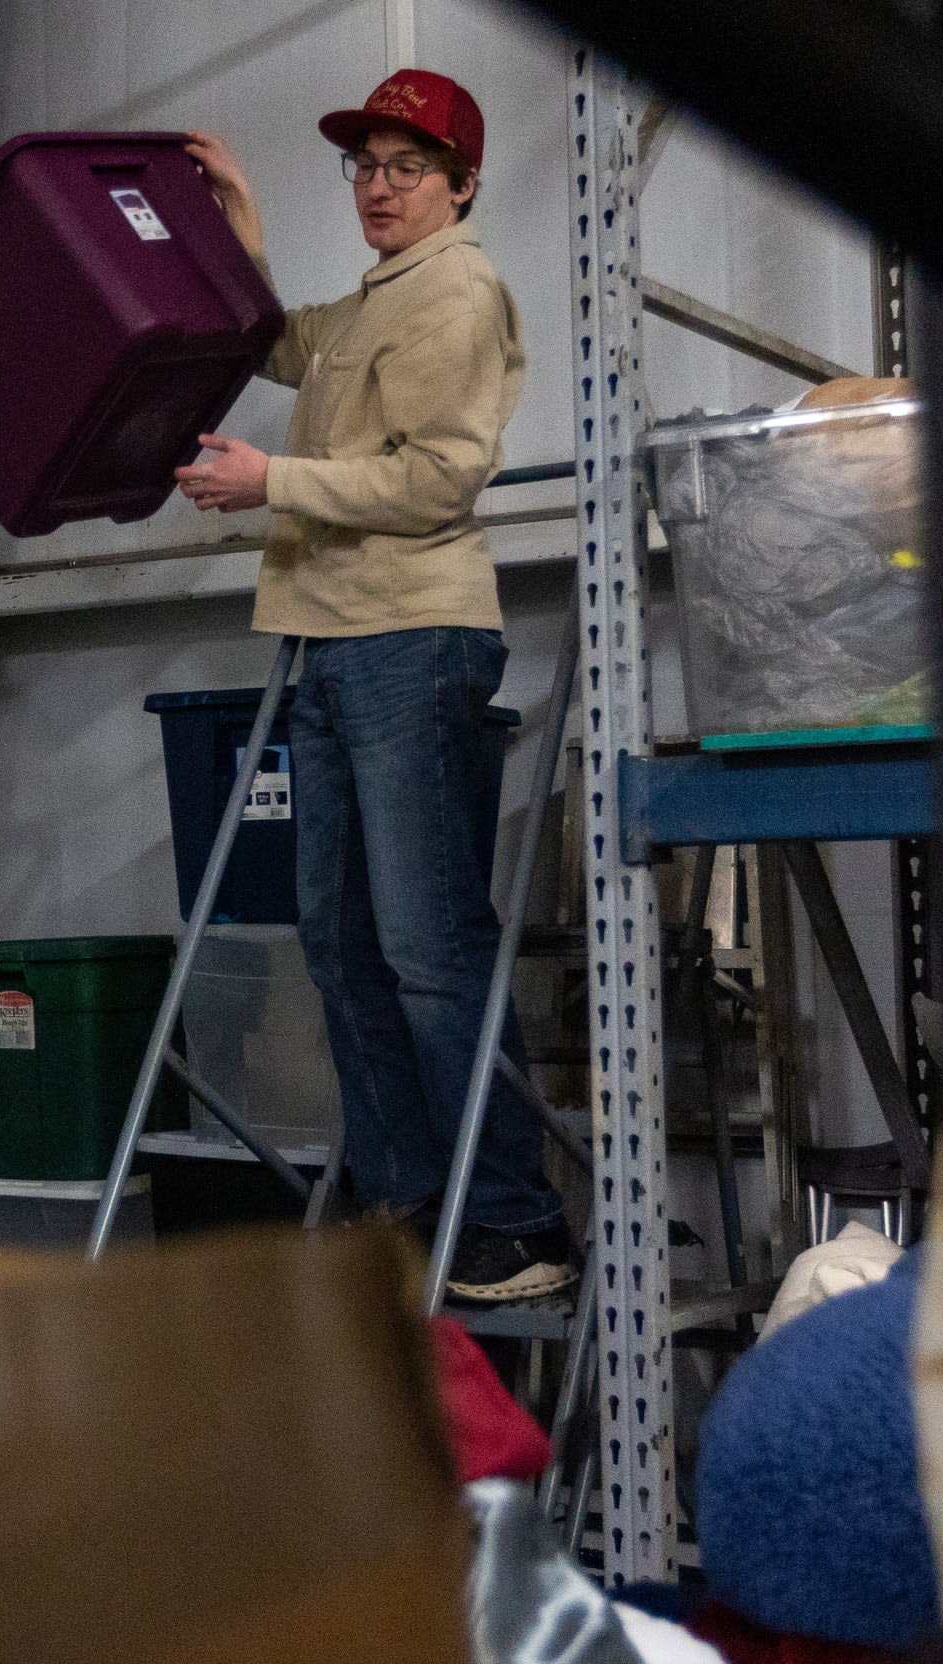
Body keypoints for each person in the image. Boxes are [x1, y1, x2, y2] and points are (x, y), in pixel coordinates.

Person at [177, 68, 573, 1303]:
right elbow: (280, 343)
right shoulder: (374, 298)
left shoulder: (455, 289)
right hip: (330, 640)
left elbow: (437, 481)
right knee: (343, 944)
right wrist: (237, 221)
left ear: (461, 184)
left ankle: (514, 1222)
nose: (380, 187)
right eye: (365, 166)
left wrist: (272, 485)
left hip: (410, 640)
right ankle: (408, 1204)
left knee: (427, 947)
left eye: (408, 167)